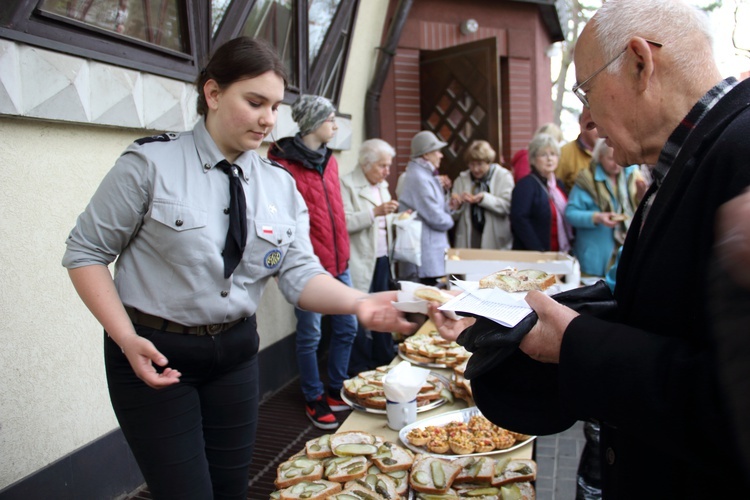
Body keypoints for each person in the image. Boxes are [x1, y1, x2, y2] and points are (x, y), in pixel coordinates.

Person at [62, 37, 413, 499]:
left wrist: (360, 304)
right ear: (212, 94)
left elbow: (300, 274)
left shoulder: (280, 185)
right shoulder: (150, 165)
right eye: (255, 102)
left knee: (231, 488)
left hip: (236, 356)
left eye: (275, 106)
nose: (269, 119)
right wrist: (126, 338)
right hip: (154, 354)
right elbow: (85, 252)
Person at [430, 0, 750, 496]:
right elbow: (665, 319)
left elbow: (732, 402)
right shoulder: (695, 155)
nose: (588, 120)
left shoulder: (741, 152)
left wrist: (575, 343)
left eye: (585, 91)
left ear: (641, 63)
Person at [267, 94, 359, 430]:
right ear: (312, 123)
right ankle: (313, 396)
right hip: (309, 268)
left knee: (348, 327)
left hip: (341, 262)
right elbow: (280, 217)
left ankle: (336, 388)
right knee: (310, 334)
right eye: (330, 118)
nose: (335, 125)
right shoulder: (283, 165)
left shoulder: (330, 160)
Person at [339, 138, 400, 374]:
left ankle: (384, 359)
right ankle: (360, 366)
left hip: (383, 256)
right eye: (382, 166)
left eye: (388, 165)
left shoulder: (382, 185)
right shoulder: (347, 184)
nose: (387, 171)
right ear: (366, 164)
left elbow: (384, 223)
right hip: (361, 259)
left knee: (385, 306)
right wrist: (374, 212)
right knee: (362, 310)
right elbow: (343, 222)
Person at [564, 139, 642, 278]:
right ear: (599, 157)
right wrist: (597, 217)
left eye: (619, 157)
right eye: (610, 159)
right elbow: (570, 214)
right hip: (595, 258)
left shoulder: (632, 176)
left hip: (626, 253)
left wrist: (642, 195)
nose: (616, 164)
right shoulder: (587, 179)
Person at [397, 130, 454, 286]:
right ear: (426, 154)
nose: (441, 155)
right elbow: (435, 217)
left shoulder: (424, 174)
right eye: (437, 151)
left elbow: (434, 208)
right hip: (425, 257)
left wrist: (450, 206)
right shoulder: (419, 177)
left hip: (429, 255)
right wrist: (450, 220)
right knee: (426, 302)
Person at [510, 133, 573, 252]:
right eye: (543, 155)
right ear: (533, 159)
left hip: (560, 251)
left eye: (553, 154)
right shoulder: (526, 185)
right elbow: (519, 220)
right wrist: (538, 249)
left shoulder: (558, 184)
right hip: (536, 255)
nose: (549, 159)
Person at [450, 140, 514, 250]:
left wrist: (483, 199)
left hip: (495, 239)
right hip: (468, 240)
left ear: (488, 162)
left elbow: (508, 206)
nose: (475, 169)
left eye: (480, 164)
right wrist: (457, 204)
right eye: (472, 164)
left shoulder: (503, 176)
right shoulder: (461, 179)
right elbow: (452, 215)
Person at [556, 108, 598, 192]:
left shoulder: (612, 151)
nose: (599, 131)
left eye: (601, 125)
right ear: (583, 126)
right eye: (594, 126)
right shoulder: (564, 153)